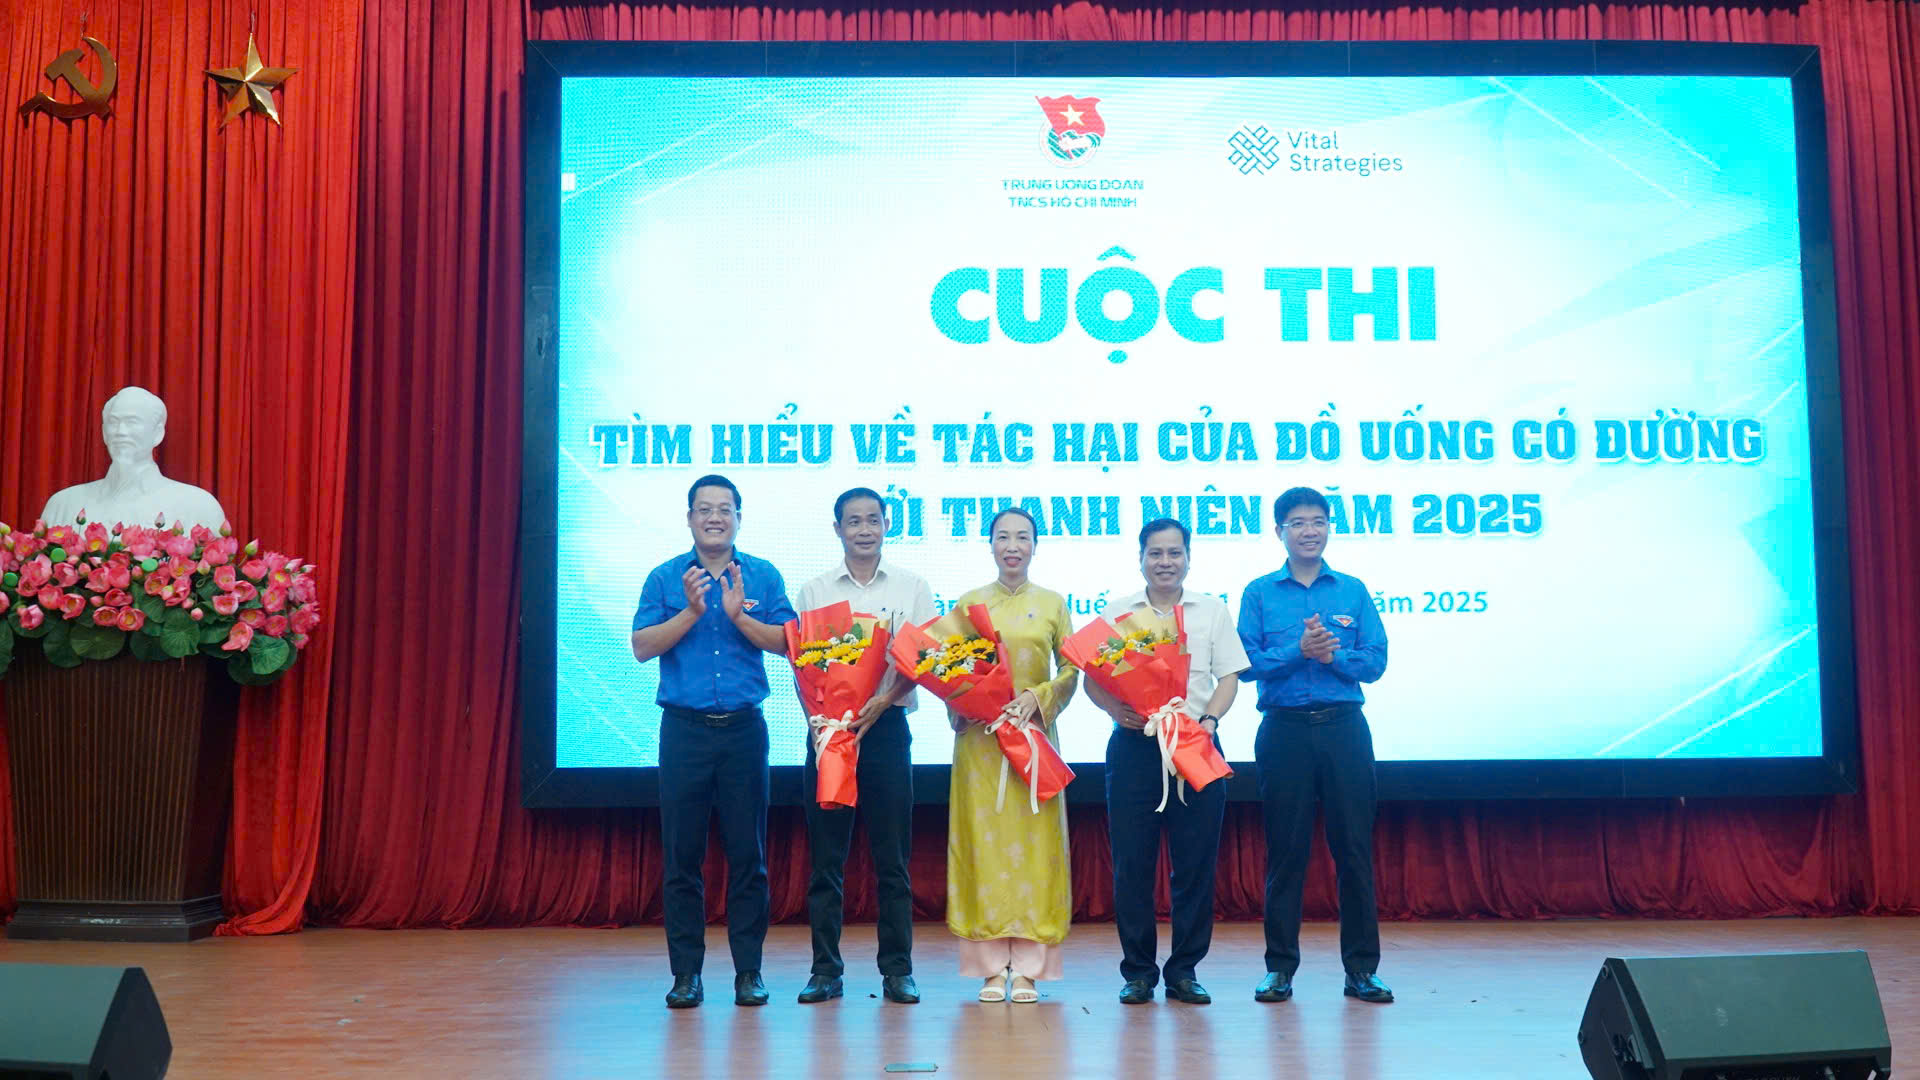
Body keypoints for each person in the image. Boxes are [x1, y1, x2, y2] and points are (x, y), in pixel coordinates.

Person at [630, 474, 795, 1009]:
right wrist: (692, 612)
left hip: (744, 732)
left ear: (739, 518)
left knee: (749, 856)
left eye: (725, 508)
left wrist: (739, 616)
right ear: (690, 518)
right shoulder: (665, 577)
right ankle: (686, 976)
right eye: (705, 509)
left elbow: (790, 644)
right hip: (684, 733)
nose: (715, 517)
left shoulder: (762, 575)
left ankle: (749, 973)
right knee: (682, 858)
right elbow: (641, 646)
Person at [1236, 486, 1393, 1005]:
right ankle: (1279, 969)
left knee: (1354, 849)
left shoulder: (1352, 590)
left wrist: (1332, 659)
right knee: (1286, 851)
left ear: (1329, 528)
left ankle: (1362, 970)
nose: (1310, 531)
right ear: (1279, 531)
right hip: (1283, 731)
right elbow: (1246, 663)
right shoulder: (1260, 593)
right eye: (1298, 523)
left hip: (1344, 728)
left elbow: (1375, 661)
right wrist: (1297, 650)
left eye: (1318, 521)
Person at [1084, 518, 1248, 1006]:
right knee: (1132, 865)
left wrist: (1211, 721)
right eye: (1155, 553)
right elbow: (1091, 678)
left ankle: (1184, 971)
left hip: (1195, 743)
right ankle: (1138, 972)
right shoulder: (1117, 613)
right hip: (1135, 748)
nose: (1165, 562)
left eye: (1174, 553)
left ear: (1188, 559)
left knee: (1195, 866)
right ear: (1141, 559)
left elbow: (1229, 676)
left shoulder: (1212, 610)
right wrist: (1115, 710)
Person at [792, 487, 934, 1006]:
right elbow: (803, 666)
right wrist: (819, 723)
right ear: (838, 529)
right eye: (854, 521)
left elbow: (924, 661)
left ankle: (897, 971)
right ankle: (825, 971)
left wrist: (883, 701)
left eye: (873, 519)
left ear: (886, 524)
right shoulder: (815, 590)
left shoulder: (913, 587)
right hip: (831, 733)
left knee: (892, 859)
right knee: (827, 860)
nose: (864, 530)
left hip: (887, 729)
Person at [945, 507, 1078, 1004]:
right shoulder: (968, 605)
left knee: (1036, 851)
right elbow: (945, 668)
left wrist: (1037, 697)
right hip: (980, 745)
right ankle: (988, 968)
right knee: (983, 849)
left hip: (1033, 742)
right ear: (991, 545)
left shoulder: (1053, 604)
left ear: (1035, 545)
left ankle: (1028, 970)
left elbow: (1072, 670)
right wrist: (967, 702)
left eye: (1023, 537)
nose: (1013, 546)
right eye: (1003, 537)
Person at [40, 386, 227, 530]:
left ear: (158, 433)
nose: (121, 432)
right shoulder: (63, 505)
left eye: (132, 422)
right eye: (113, 422)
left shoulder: (198, 506)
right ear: (104, 432)